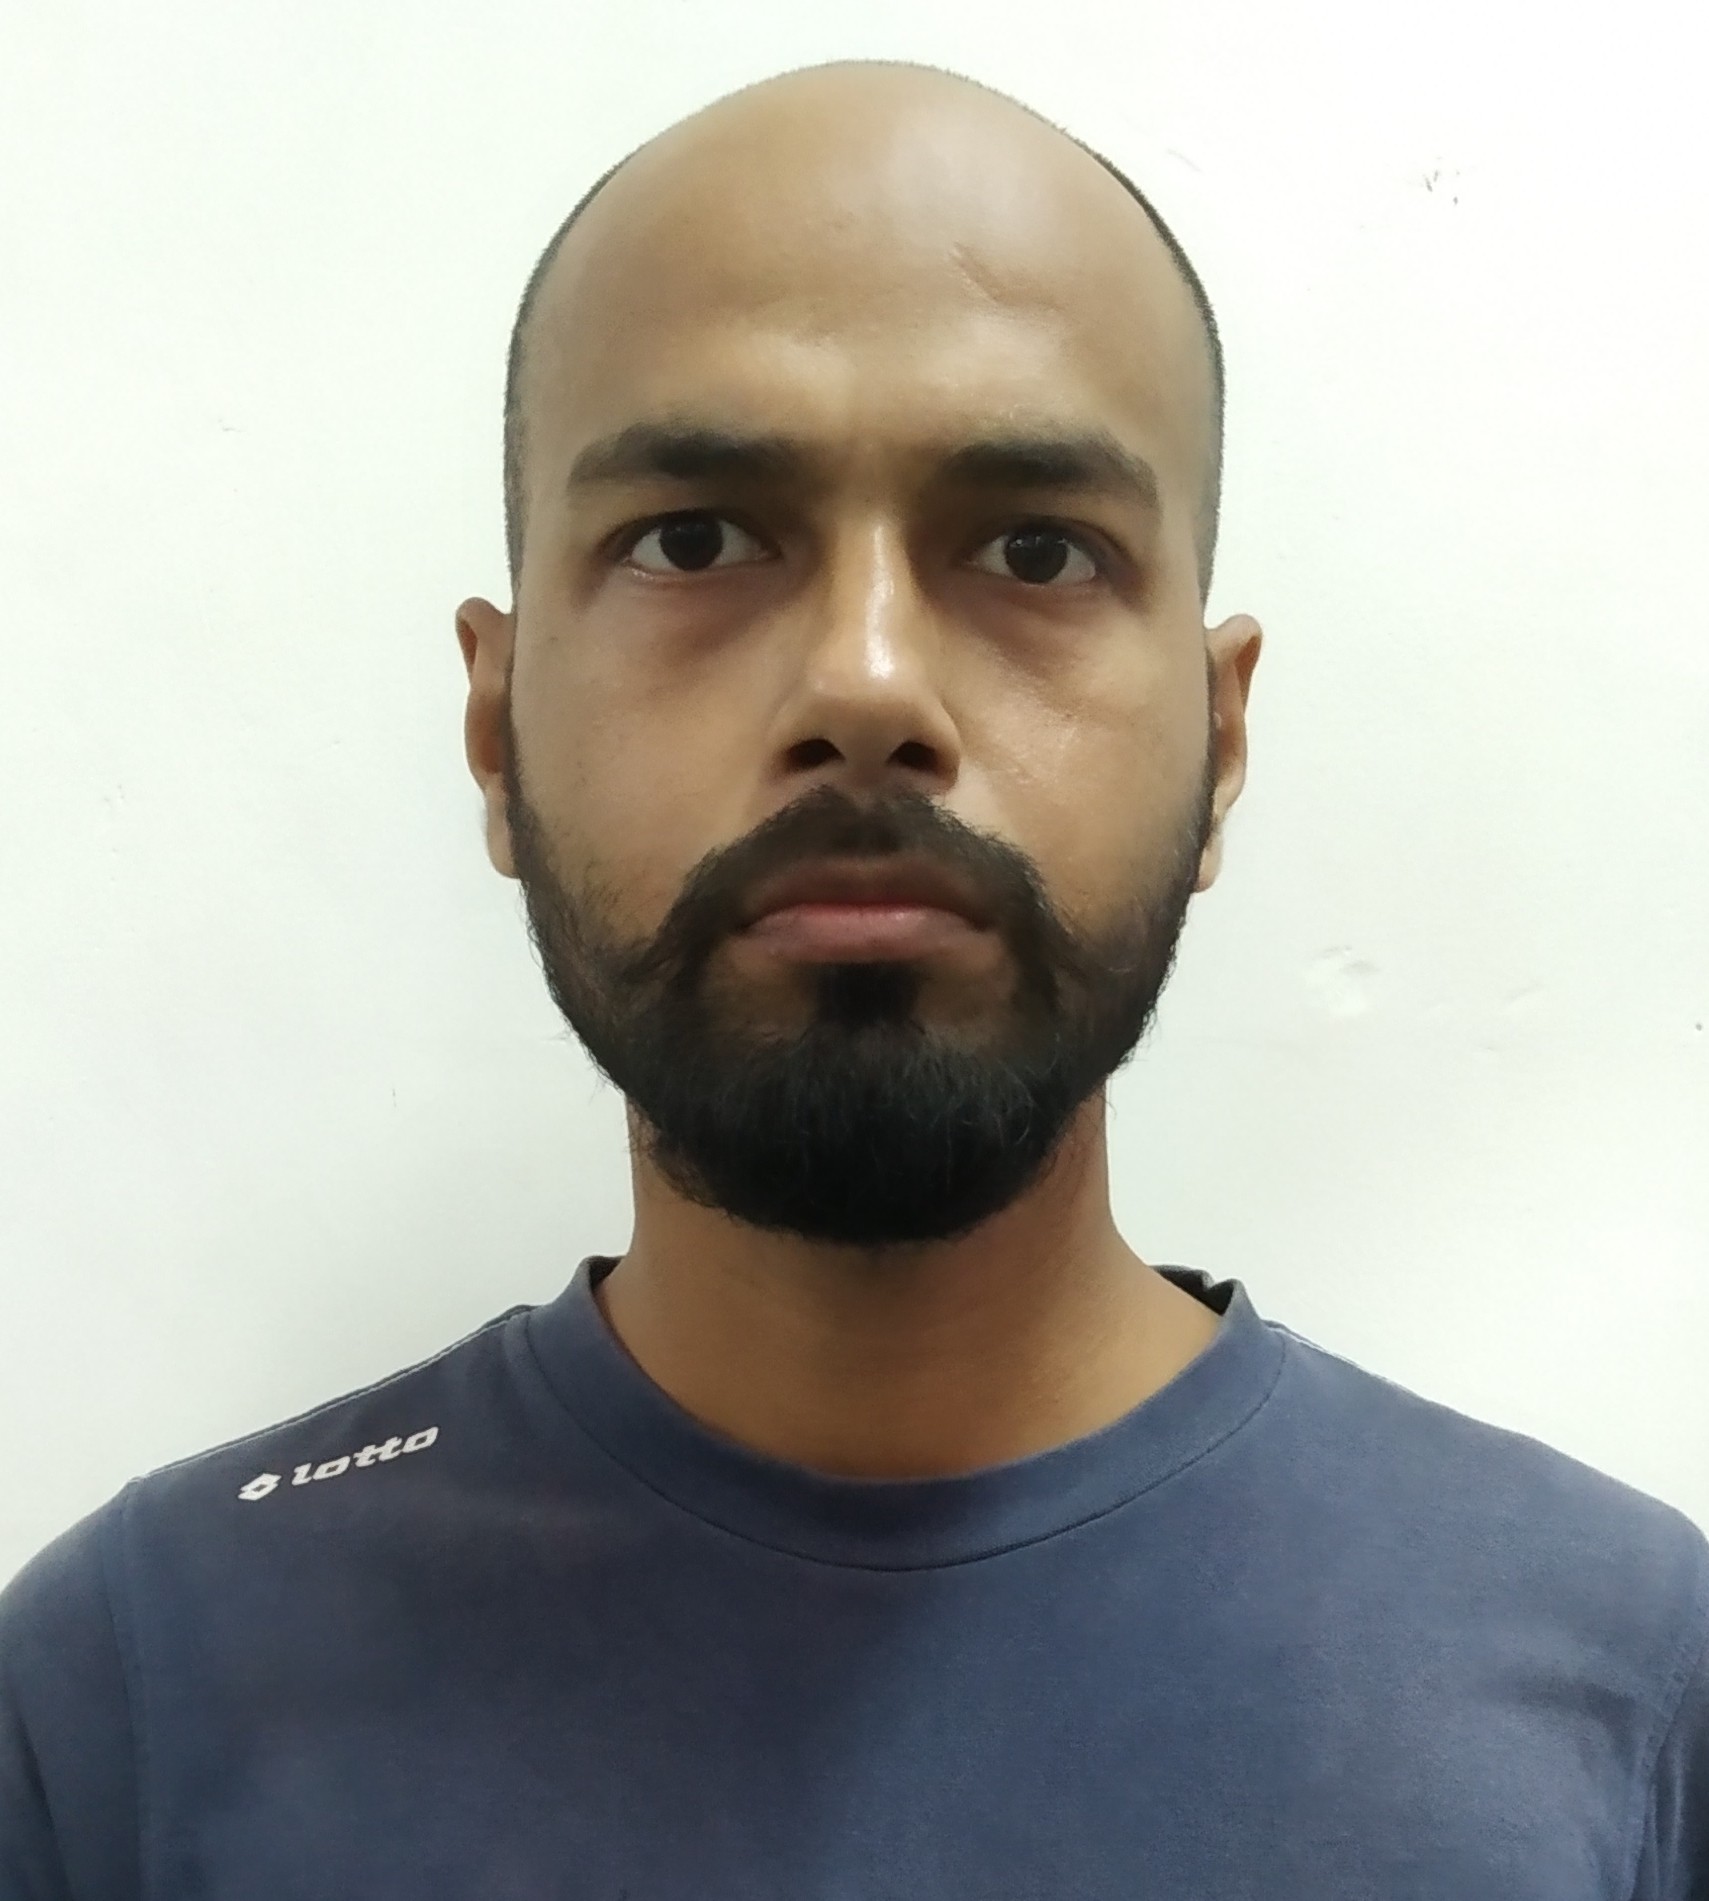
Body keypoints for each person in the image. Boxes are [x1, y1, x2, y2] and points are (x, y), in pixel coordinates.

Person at [2, 56, 1704, 1901]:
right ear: (496, 730)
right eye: (694, 539)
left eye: (1036, 550)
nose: (866, 685)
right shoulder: (130, 1700)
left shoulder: (1627, 1696)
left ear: (1219, 745)